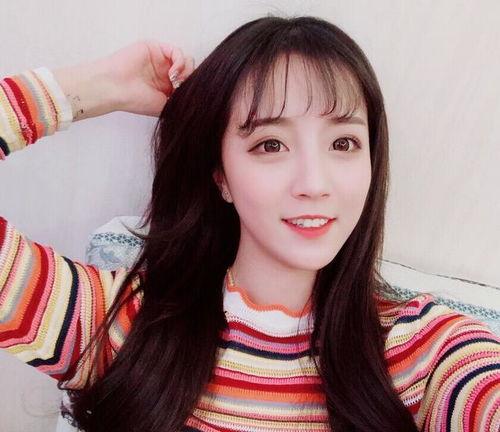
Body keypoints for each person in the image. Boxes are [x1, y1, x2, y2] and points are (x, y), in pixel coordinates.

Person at [1, 15, 499, 432]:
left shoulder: (423, 354)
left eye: (343, 143)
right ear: (220, 176)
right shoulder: (117, 325)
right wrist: (100, 88)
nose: (314, 183)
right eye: (270, 145)